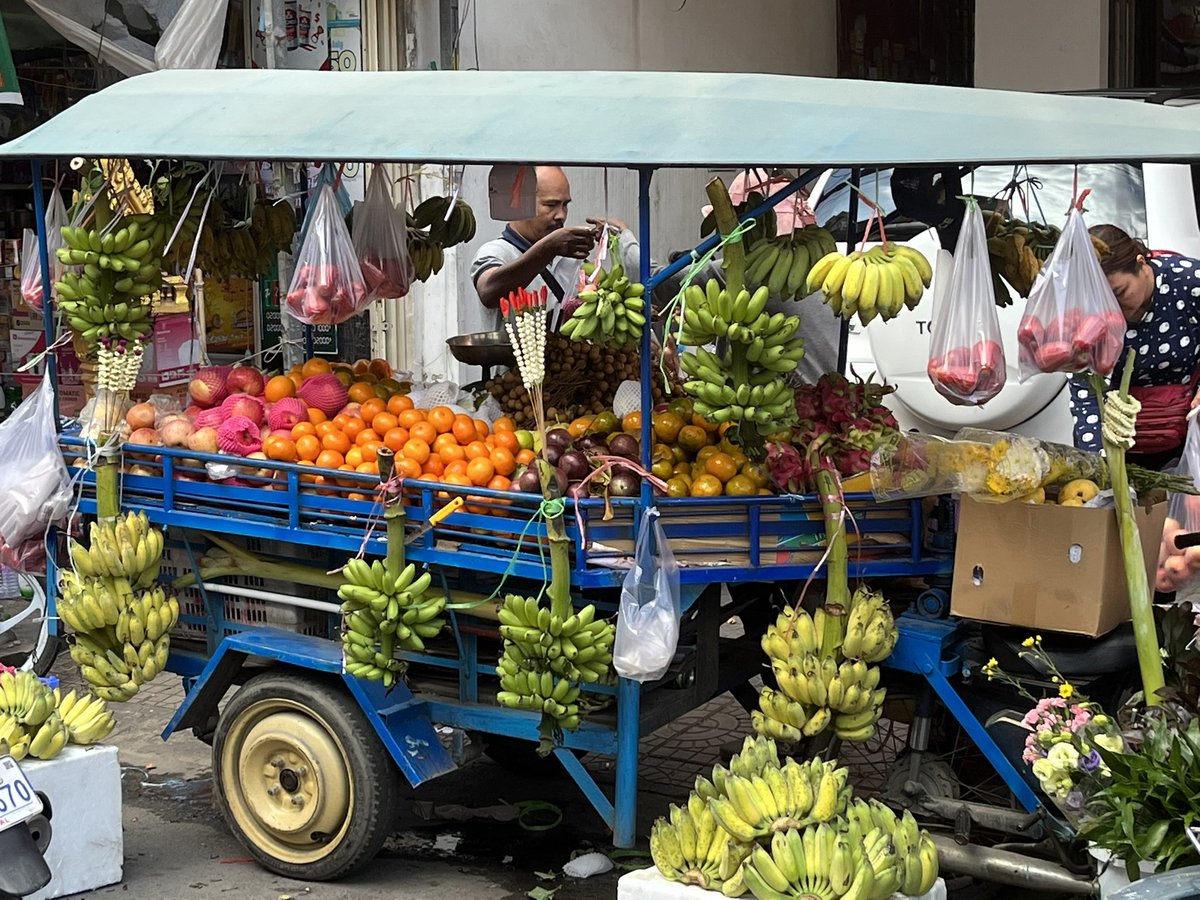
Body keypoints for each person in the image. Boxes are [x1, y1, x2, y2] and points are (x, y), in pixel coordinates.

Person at [1069, 224, 1200, 467]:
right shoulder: (1087, 313)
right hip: (1118, 438)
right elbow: (1086, 391)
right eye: (1101, 299)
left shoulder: (1190, 281)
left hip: (1186, 429)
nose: (1112, 306)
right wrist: (1099, 464)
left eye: (1119, 292)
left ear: (1141, 264)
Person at [471, 166, 640, 329]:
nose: (561, 215)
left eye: (565, 205)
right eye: (551, 205)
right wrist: (548, 249)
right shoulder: (496, 252)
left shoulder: (572, 260)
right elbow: (488, 292)